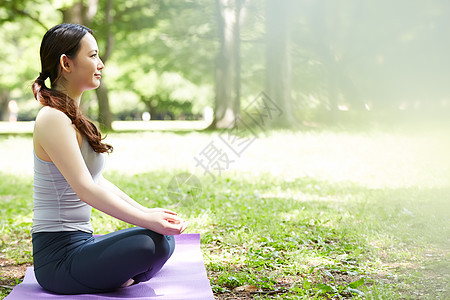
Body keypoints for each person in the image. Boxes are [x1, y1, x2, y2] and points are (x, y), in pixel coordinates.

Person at [30, 23, 188, 295]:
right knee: (151, 244)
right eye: (92, 56)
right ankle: (116, 276)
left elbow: (97, 180)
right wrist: (145, 221)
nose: (100, 64)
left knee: (163, 239)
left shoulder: (70, 116)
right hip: (58, 260)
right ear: (66, 63)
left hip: (82, 244)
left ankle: (115, 276)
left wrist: (148, 214)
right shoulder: (52, 118)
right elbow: (85, 189)